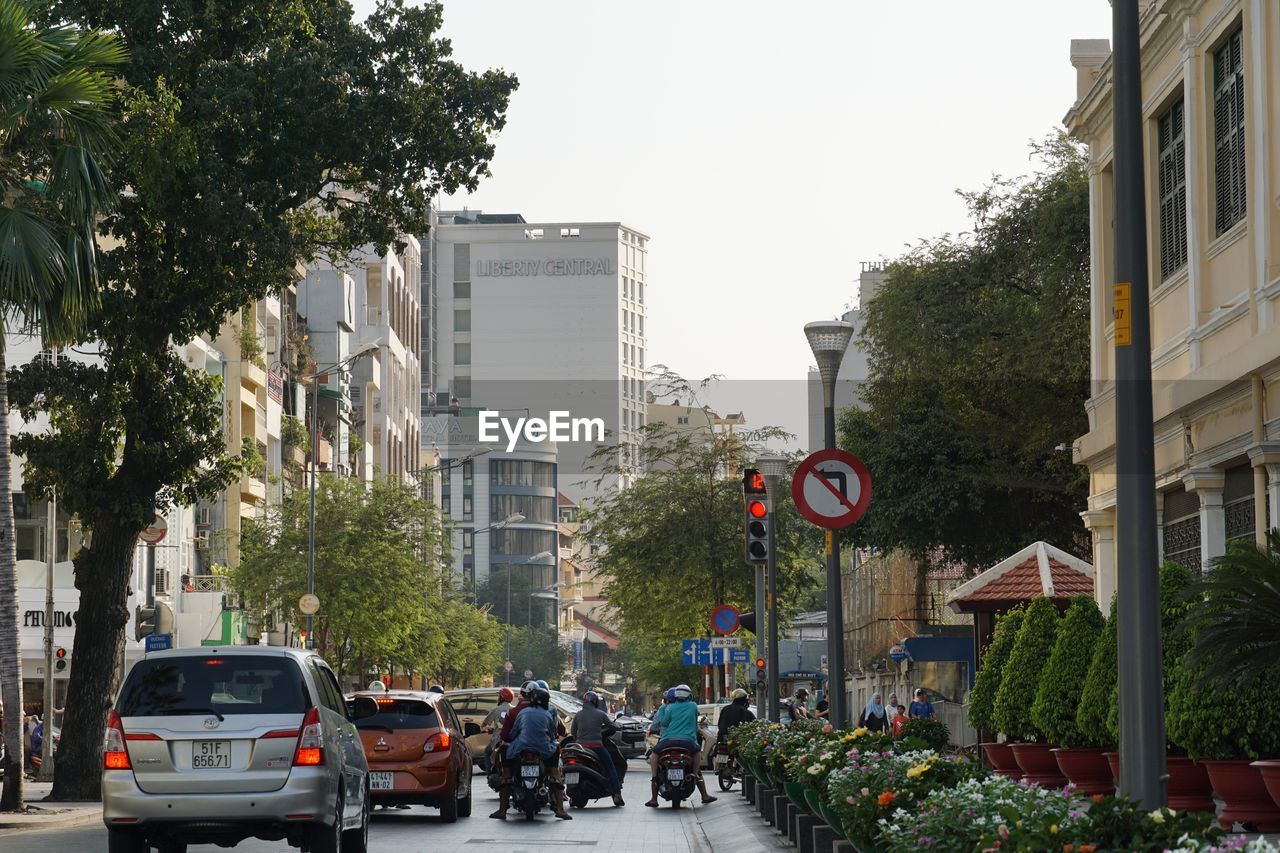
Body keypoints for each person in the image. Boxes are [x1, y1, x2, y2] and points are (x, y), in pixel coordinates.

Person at [497, 687, 572, 820]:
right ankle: (560, 810)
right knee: (555, 774)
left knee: (506, 775)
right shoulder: (548, 714)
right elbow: (552, 734)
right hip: (543, 749)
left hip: (521, 747)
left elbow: (512, 733)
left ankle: (502, 810)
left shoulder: (522, 713)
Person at [644, 684, 716, 808]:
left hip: (668, 741)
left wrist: (664, 711)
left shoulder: (667, 709)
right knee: (697, 752)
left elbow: (664, 722)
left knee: (654, 753)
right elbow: (694, 721)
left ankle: (654, 787)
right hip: (688, 742)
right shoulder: (693, 706)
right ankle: (695, 778)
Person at [570, 691, 624, 806]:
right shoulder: (600, 714)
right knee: (610, 767)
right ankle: (617, 794)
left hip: (580, 748)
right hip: (597, 747)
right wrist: (619, 726)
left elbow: (573, 732)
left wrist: (578, 739)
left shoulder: (578, 715)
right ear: (594, 702)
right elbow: (612, 726)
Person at [482, 687, 515, 773]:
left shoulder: (495, 710)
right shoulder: (514, 709)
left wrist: (490, 729)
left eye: (499, 696)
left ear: (502, 698)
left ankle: (489, 773)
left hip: (498, 740)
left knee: (487, 751)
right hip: (513, 740)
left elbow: (484, 725)